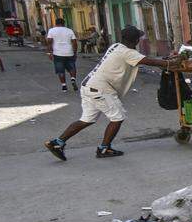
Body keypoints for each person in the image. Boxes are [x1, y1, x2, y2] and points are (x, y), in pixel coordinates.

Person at [44, 26, 172, 161]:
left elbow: (145, 60)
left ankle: (57, 142)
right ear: (135, 40)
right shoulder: (128, 53)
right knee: (117, 117)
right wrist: (170, 62)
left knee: (87, 119)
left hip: (89, 86)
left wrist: (165, 62)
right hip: (100, 89)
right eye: (138, 39)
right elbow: (150, 61)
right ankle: (104, 148)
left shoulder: (116, 46)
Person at [45, 17, 78, 91]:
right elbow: (74, 42)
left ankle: (64, 86)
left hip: (58, 53)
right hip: (69, 52)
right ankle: (73, 79)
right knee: (72, 67)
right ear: (64, 23)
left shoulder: (52, 31)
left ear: (56, 23)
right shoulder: (69, 31)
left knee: (60, 70)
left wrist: (49, 52)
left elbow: (49, 42)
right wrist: (75, 52)